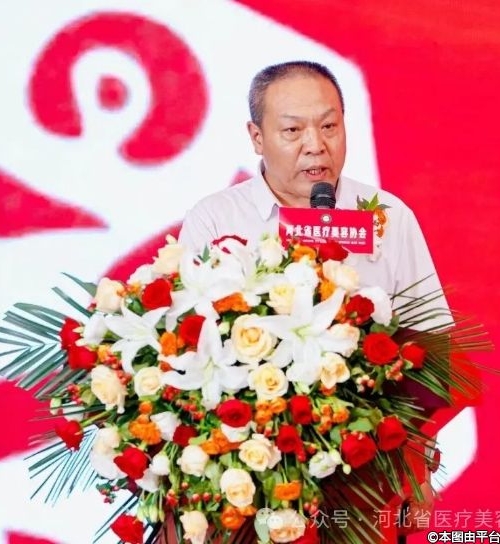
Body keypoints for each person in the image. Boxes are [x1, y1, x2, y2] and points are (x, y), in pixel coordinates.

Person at [178, 61, 444, 535]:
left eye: (329, 126)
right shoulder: (215, 220)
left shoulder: (389, 217)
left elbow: (435, 348)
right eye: (292, 130)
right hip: (252, 477)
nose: (315, 145)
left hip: (367, 473)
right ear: (256, 137)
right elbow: (186, 349)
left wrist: (418, 460)